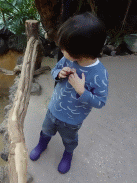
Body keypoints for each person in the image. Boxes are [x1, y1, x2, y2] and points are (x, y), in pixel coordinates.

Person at [29, 12, 109, 174]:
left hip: (72, 120)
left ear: (82, 52)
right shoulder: (68, 59)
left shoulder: (99, 74)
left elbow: (100, 102)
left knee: (69, 139)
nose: (61, 50)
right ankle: (42, 144)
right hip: (53, 109)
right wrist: (59, 73)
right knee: (46, 130)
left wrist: (81, 90)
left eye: (64, 48)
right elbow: (55, 71)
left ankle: (68, 153)